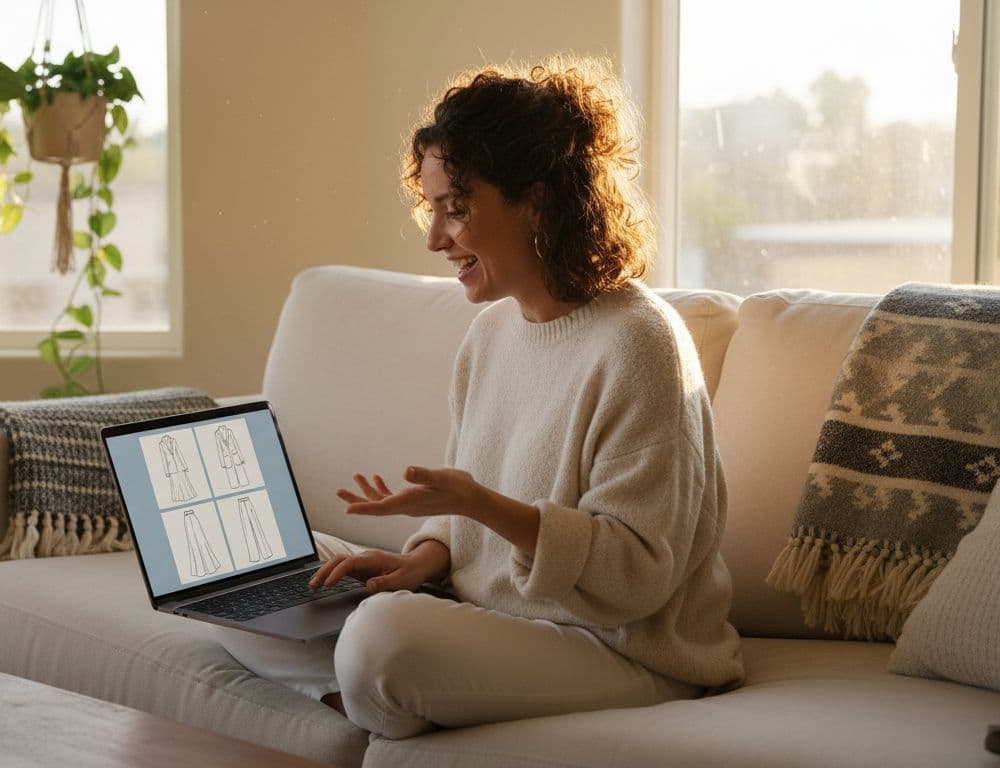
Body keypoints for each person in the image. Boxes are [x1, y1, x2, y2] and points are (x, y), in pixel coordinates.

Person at [214, 55, 744, 739]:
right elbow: (472, 529)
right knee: (242, 572)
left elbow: (635, 576)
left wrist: (475, 503)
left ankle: (373, 686)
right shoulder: (491, 333)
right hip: (496, 625)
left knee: (383, 639)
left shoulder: (640, 344)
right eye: (432, 211)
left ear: (538, 200)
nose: (436, 239)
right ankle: (373, 696)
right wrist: (424, 558)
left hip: (620, 648)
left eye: (456, 211)